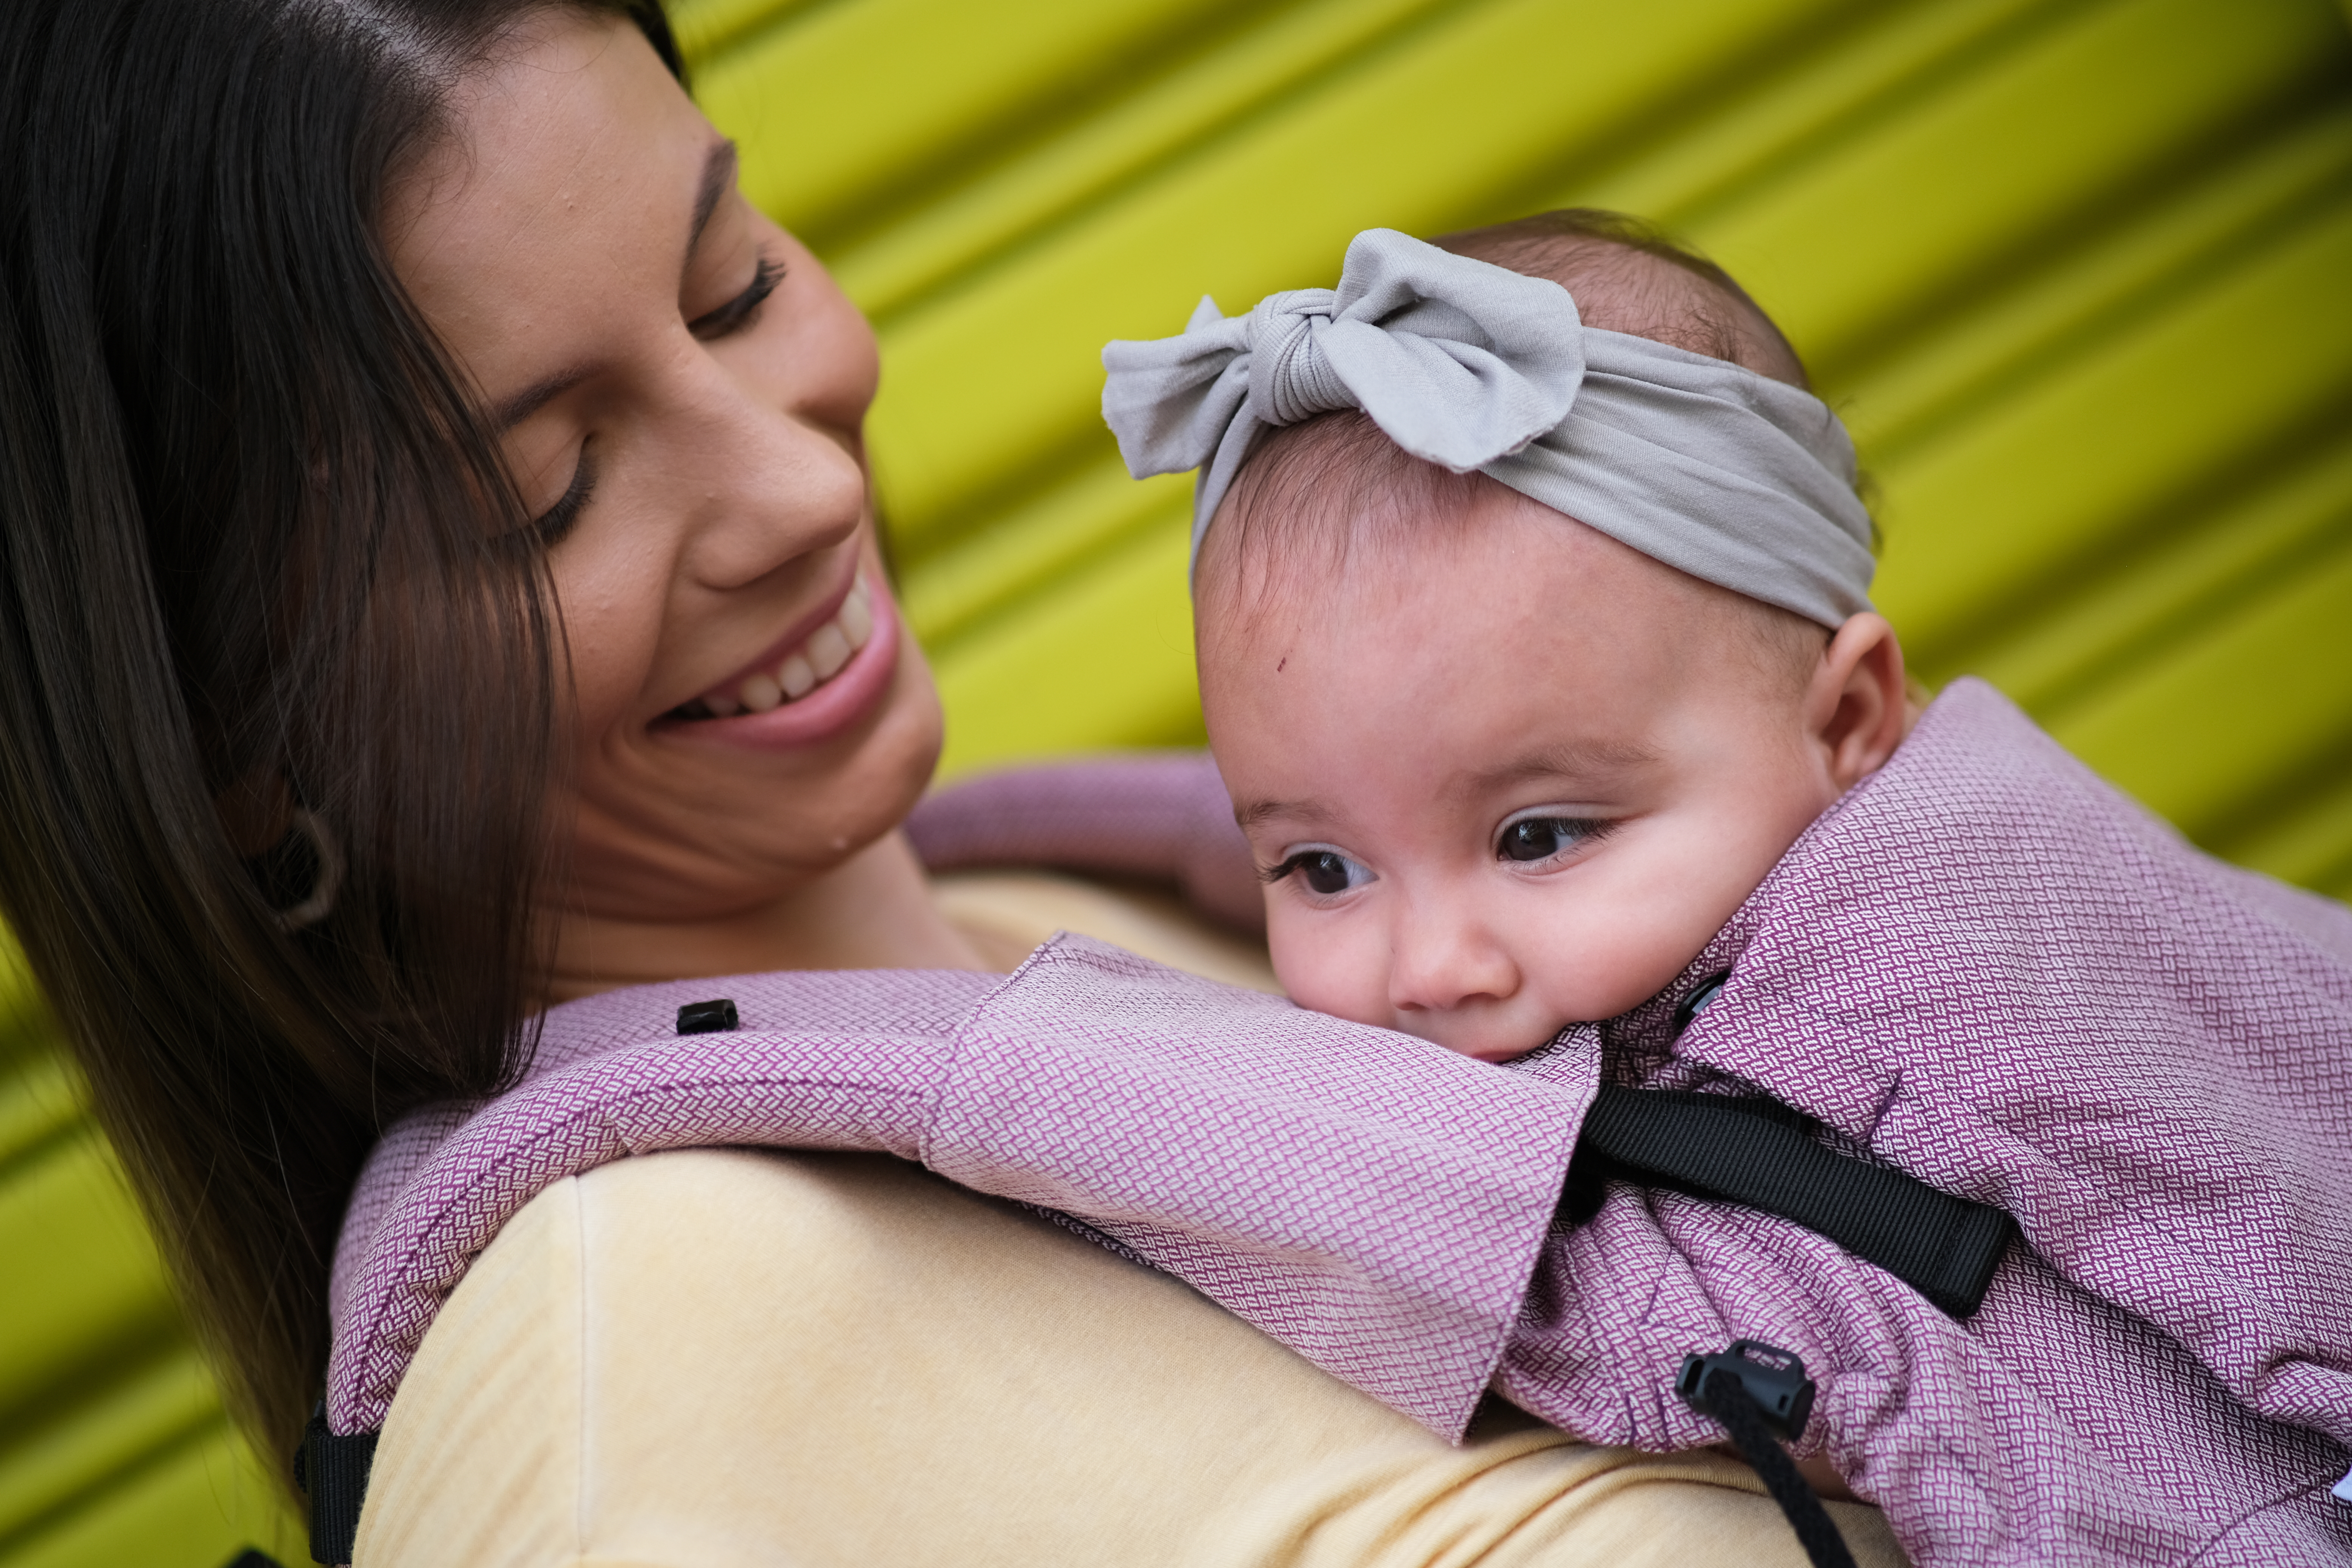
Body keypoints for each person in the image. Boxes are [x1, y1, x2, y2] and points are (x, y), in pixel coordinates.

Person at [0, 3, 1907, 1565]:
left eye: (734, 285)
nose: (805, 487)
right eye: (551, 490)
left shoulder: (1172, 909)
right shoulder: (613, 1382)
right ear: (238, 759)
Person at [1080, 219, 2352, 1562]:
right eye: (1322, 868)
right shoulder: (1628, 965)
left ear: (1851, 717)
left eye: (1539, 837)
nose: (1435, 966)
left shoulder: (1986, 943)